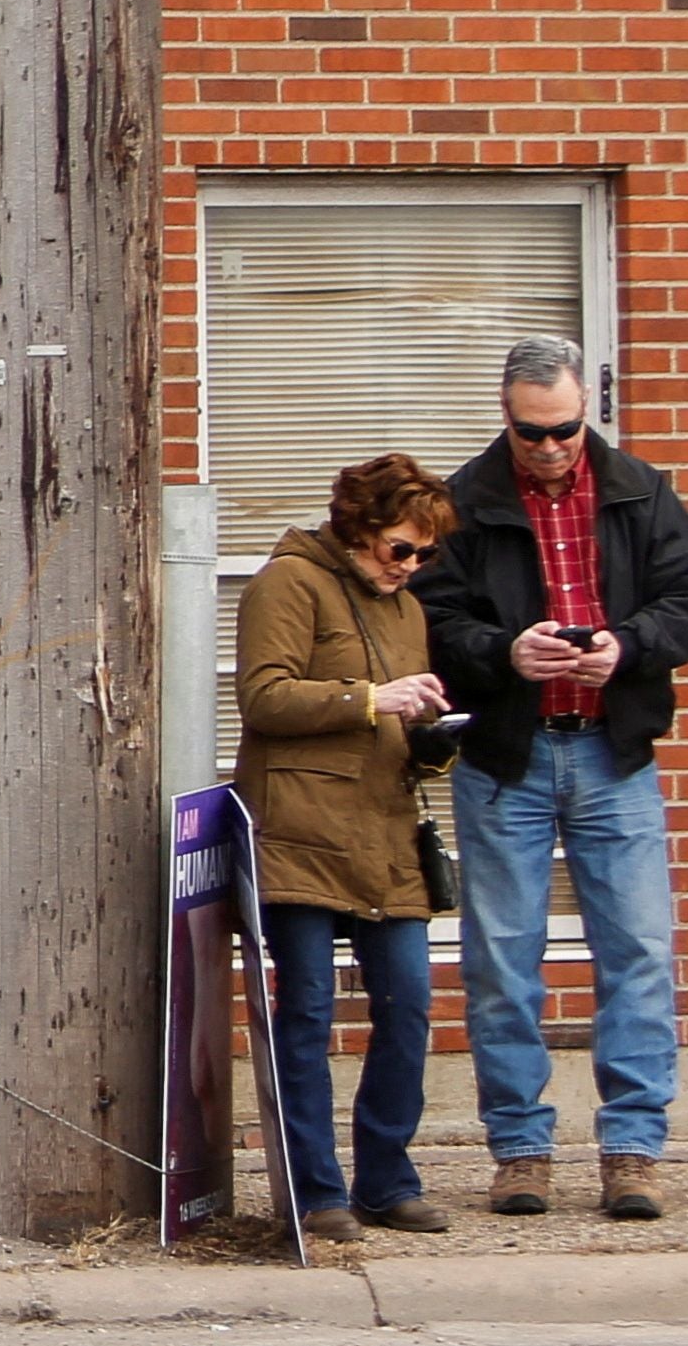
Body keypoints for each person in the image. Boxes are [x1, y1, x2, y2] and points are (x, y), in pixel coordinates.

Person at [416, 333, 688, 1223]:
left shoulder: (637, 488)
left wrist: (625, 648)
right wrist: (506, 652)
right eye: (531, 431)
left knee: (638, 952)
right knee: (502, 960)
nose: (549, 448)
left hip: (611, 750)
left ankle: (633, 1148)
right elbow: (430, 616)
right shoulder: (465, 500)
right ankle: (520, 1149)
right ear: (504, 415)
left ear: (586, 408)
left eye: (564, 429)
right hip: (506, 757)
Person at [233, 452, 456, 1240]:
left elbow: (398, 716)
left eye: (426, 553)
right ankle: (315, 1189)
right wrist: (371, 698)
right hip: (300, 829)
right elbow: (263, 696)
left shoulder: (406, 609)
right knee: (309, 1013)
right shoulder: (287, 582)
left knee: (408, 1005)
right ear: (358, 527)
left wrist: (428, 725)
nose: (412, 565)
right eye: (401, 547)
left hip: (383, 831)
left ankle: (388, 1178)